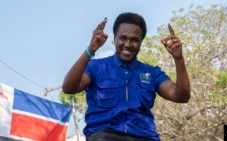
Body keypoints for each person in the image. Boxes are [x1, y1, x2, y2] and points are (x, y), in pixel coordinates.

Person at [62, 12, 190, 141]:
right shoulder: (97, 67)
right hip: (104, 135)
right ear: (114, 39)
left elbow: (181, 96)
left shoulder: (152, 73)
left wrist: (178, 58)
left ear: (141, 42)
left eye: (134, 40)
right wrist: (90, 50)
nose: (128, 44)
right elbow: (68, 88)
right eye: (123, 38)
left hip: (144, 137)